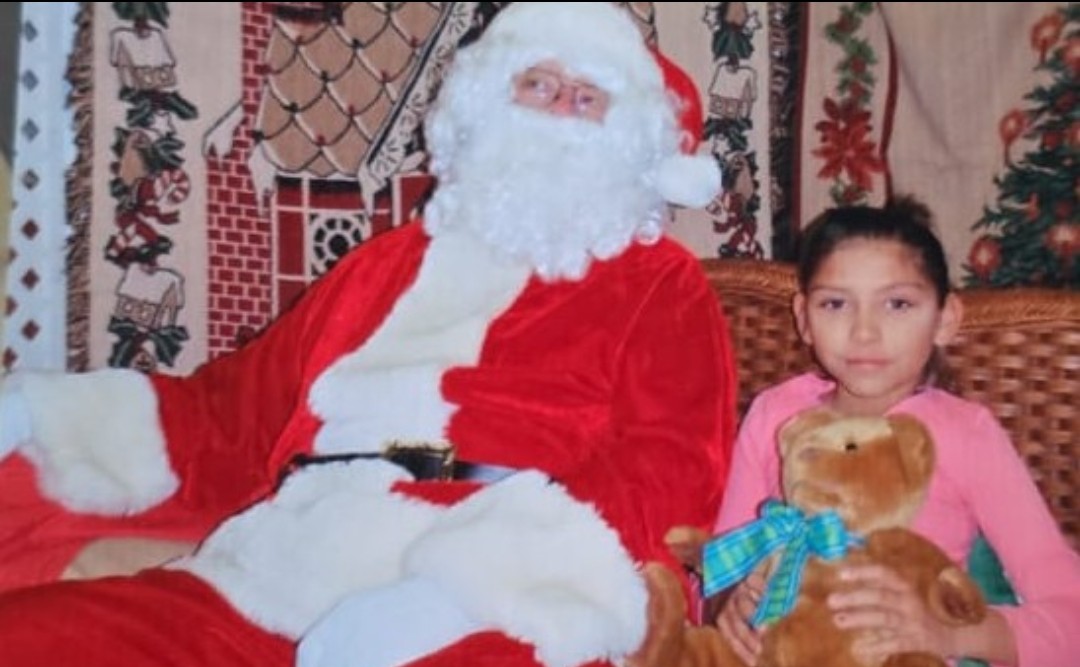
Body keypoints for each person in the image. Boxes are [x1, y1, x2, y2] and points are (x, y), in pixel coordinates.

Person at [0, 3, 738, 667]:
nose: (556, 115)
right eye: (537, 85)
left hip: (497, 583)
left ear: (627, 139)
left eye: (587, 99)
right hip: (283, 563)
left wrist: (463, 593)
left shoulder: (658, 282)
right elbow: (226, 414)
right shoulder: (381, 266)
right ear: (486, 102)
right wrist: (42, 414)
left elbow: (669, 471)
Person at [710, 196, 1080, 667]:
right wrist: (728, 609)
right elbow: (721, 568)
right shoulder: (773, 414)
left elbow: (1071, 619)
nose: (864, 332)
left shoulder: (967, 435)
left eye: (898, 303)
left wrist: (952, 633)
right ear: (804, 318)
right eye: (836, 303)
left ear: (945, 320)